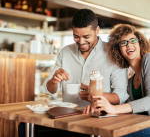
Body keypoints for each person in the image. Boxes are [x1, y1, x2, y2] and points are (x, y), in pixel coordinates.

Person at [19, 9, 128, 137]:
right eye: (76, 36)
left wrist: (96, 96)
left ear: (97, 31)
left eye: (86, 37)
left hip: (97, 119)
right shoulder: (65, 52)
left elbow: (121, 95)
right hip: (67, 116)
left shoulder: (113, 53)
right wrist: (54, 80)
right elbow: (50, 90)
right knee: (24, 126)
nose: (81, 42)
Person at [84, 24, 150, 137]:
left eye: (133, 40)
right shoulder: (130, 82)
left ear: (140, 43)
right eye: (123, 43)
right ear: (118, 50)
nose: (129, 44)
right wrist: (101, 105)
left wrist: (114, 109)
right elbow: (128, 106)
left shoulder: (148, 59)